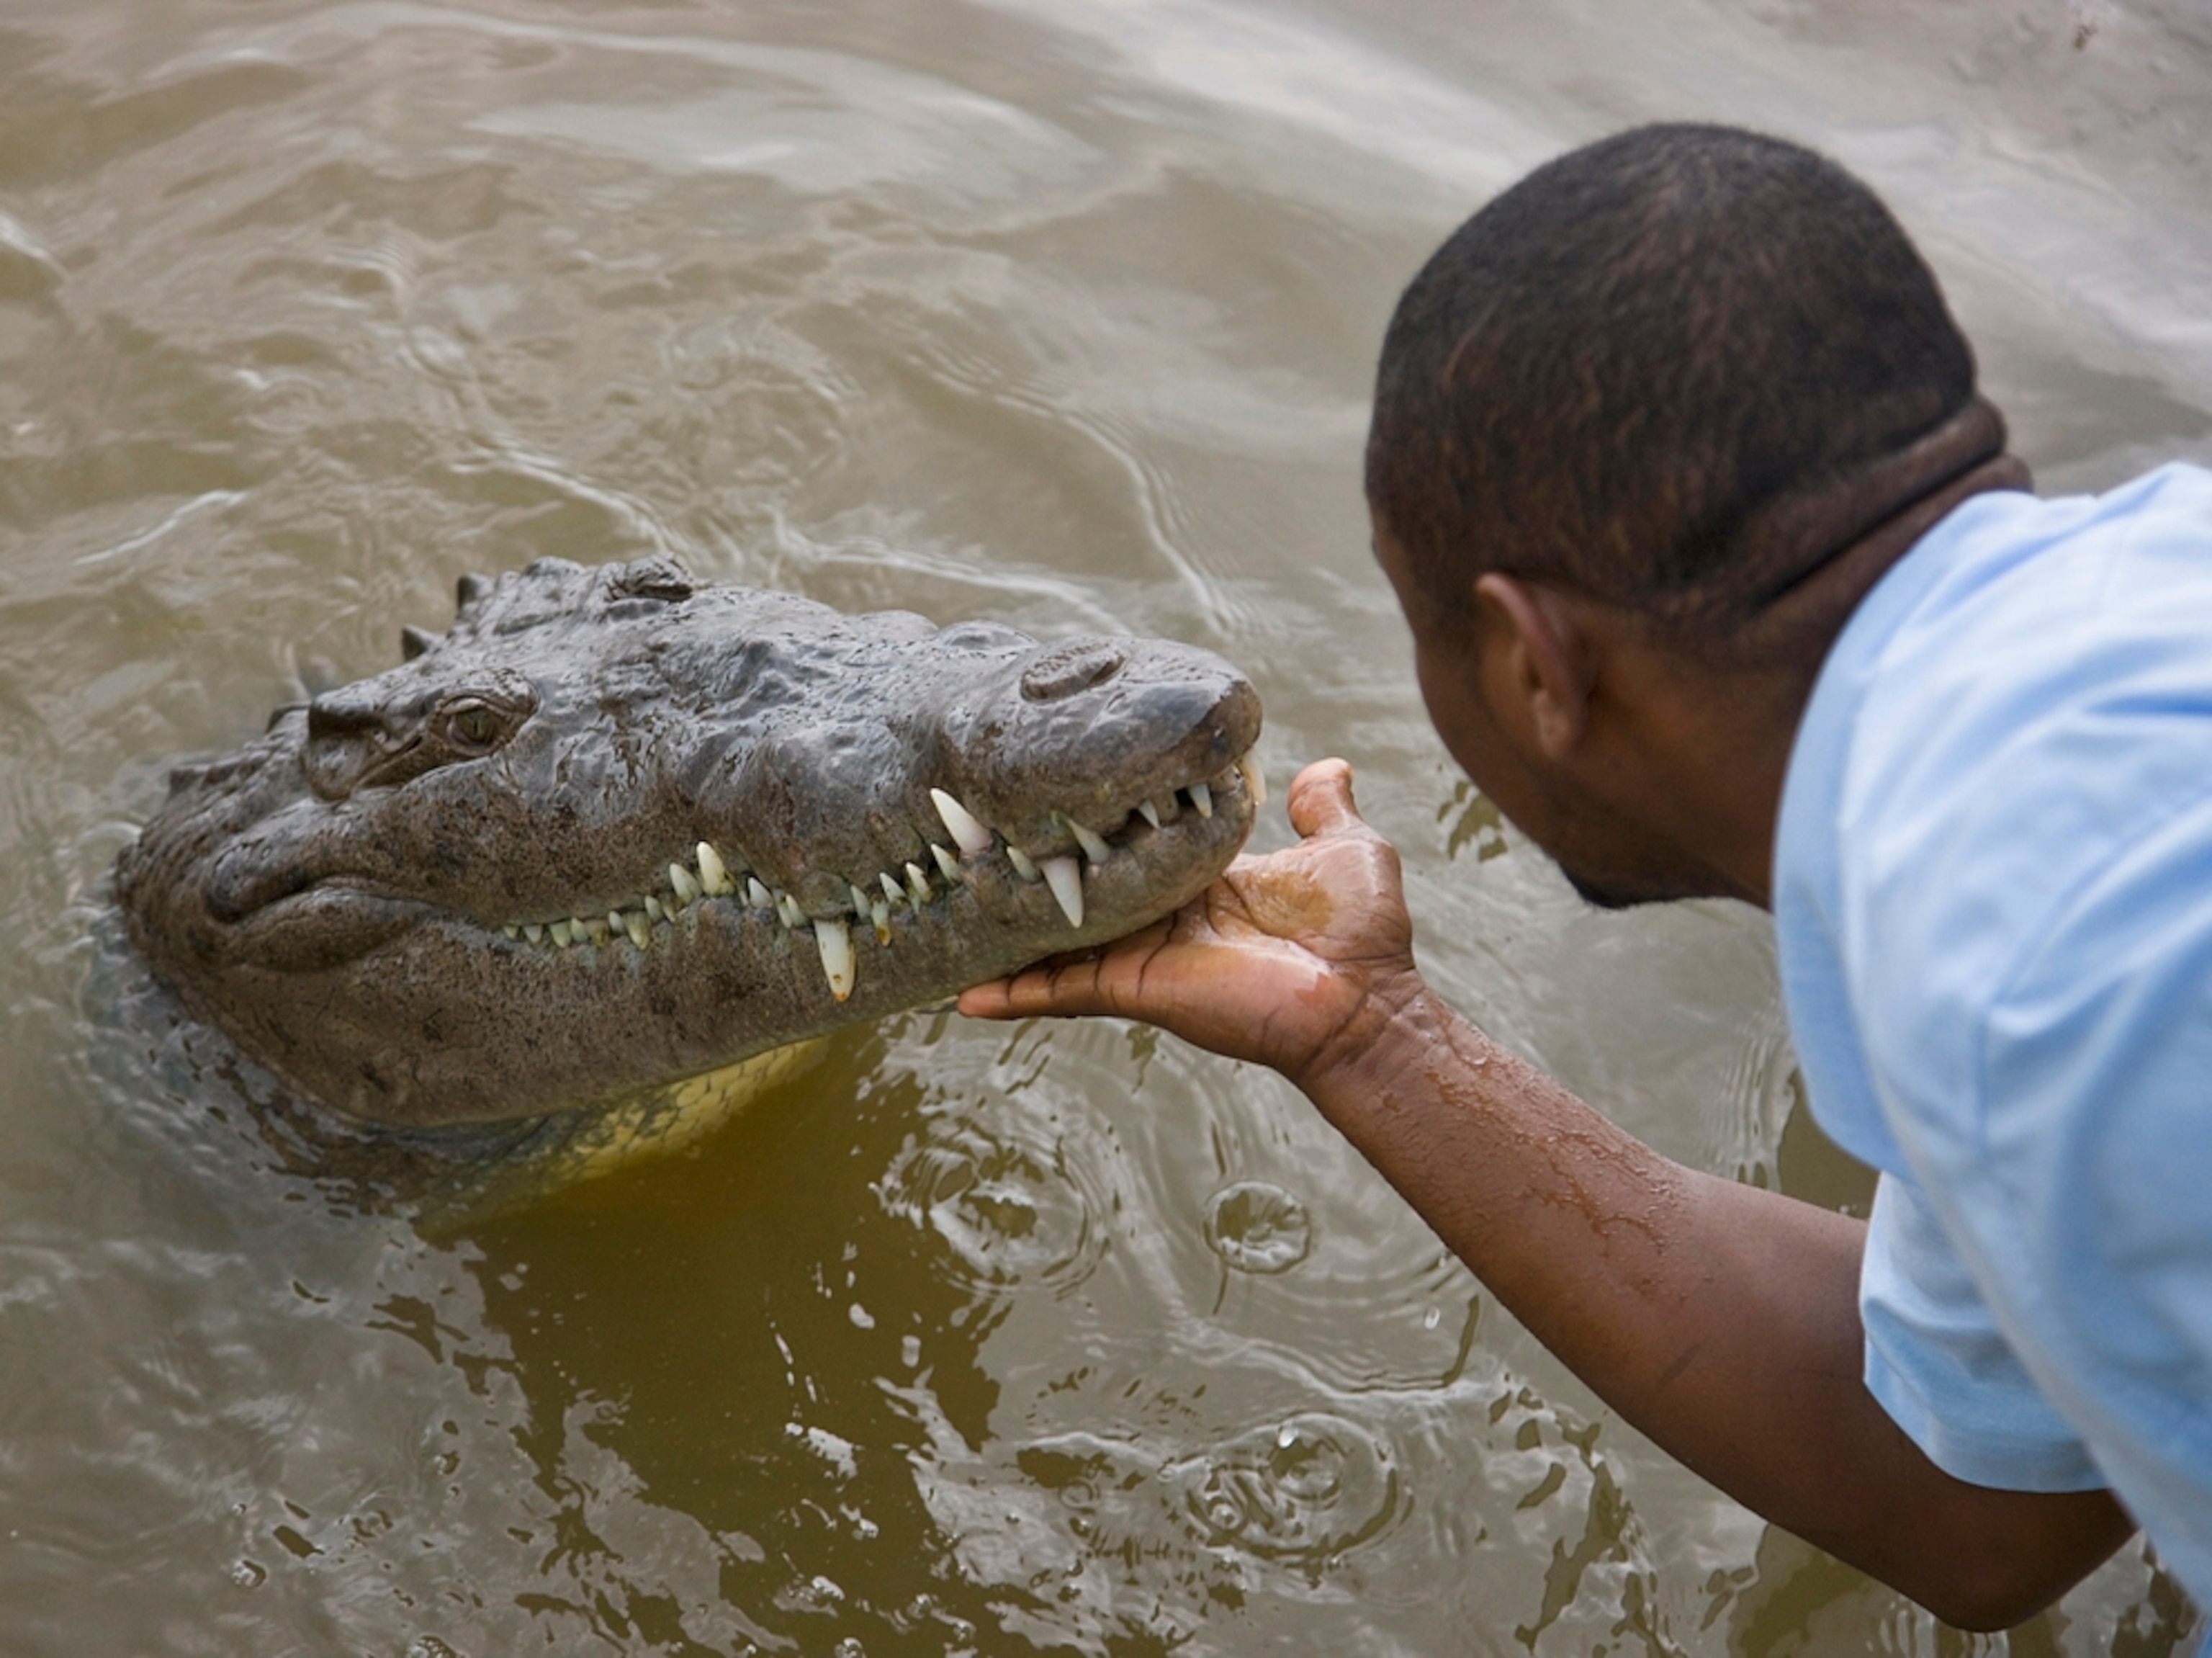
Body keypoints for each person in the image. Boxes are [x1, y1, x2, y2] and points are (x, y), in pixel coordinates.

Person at [958, 122, 2212, 1632]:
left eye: (1415, 619)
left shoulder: (2018, 971)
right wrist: (1370, 1031)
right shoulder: (2116, 661)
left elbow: (1984, 1514)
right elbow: (1977, 1482)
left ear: (1530, 660)